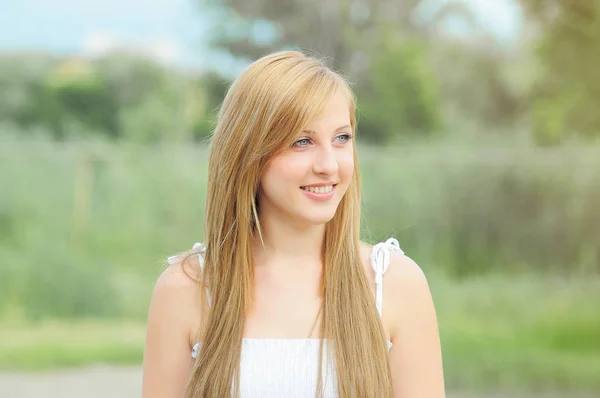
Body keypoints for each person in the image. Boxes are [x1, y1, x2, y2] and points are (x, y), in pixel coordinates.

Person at [141, 50, 445, 398]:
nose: (329, 165)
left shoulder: (393, 285)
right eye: (302, 142)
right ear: (248, 153)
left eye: (342, 138)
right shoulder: (187, 290)